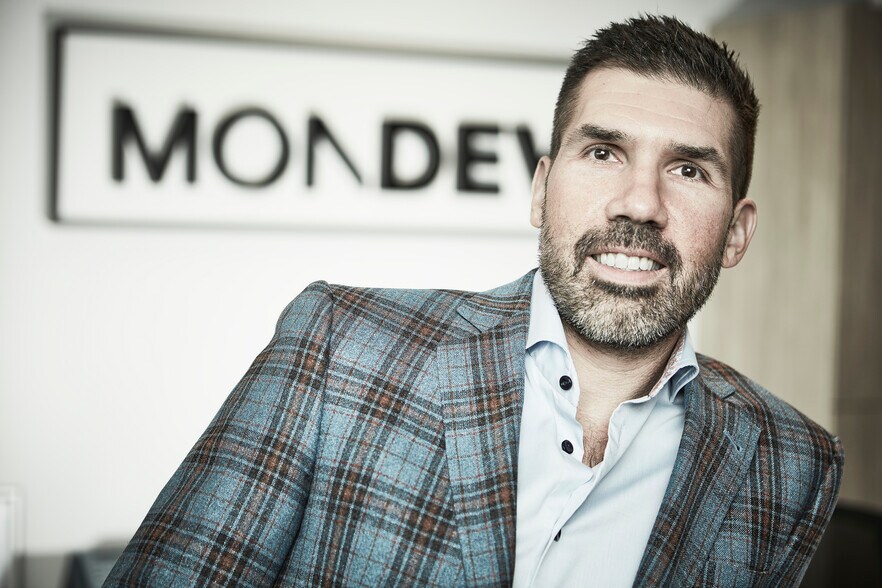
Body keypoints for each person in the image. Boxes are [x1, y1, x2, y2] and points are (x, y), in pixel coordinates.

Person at [105, 15, 842, 588]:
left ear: (737, 232)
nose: (640, 204)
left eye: (688, 170)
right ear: (540, 190)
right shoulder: (339, 345)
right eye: (603, 152)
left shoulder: (792, 461)